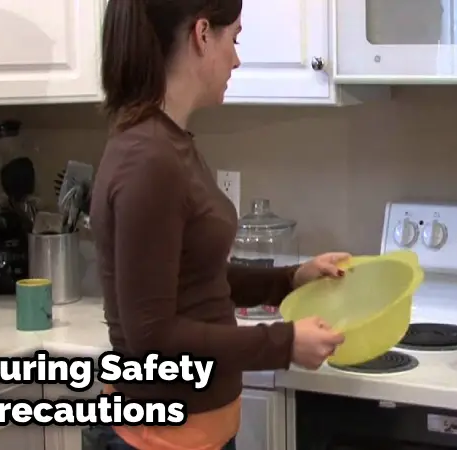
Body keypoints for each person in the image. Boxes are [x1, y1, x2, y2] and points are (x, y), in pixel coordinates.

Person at [87, 0, 347, 449]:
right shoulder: (149, 157)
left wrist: (289, 280)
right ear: (202, 34)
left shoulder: (166, 141)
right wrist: (283, 343)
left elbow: (193, 275)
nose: (237, 58)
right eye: (235, 38)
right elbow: (154, 336)